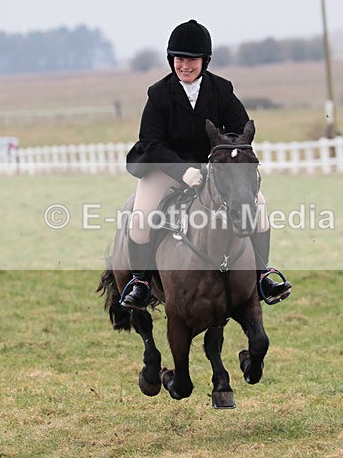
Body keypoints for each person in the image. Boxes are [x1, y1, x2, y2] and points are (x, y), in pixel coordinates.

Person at [121, 19, 291, 309]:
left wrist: (223, 158)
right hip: (164, 167)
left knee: (259, 205)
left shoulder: (221, 89)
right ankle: (142, 282)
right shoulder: (159, 94)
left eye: (192, 60)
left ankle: (262, 274)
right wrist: (182, 170)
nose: (185, 66)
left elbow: (240, 130)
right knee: (141, 218)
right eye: (180, 59)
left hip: (210, 169)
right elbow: (151, 142)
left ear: (205, 61)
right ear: (171, 60)